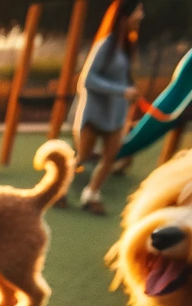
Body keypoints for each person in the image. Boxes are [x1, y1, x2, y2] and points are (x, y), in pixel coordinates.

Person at [74, 2, 144, 215]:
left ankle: (91, 194)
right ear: (124, 17)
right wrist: (121, 90)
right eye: (137, 12)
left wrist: (130, 92)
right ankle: (56, 187)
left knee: (110, 156)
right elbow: (87, 79)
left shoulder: (126, 47)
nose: (141, 17)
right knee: (83, 156)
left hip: (115, 114)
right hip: (96, 112)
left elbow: (123, 80)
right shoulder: (106, 45)